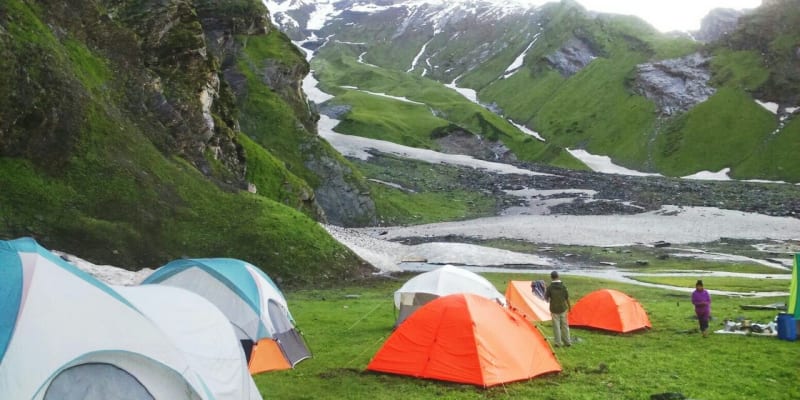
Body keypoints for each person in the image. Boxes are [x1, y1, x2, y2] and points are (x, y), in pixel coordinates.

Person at [545, 271, 571, 347]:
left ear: (551, 277)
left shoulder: (549, 288)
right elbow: (567, 298)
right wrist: (570, 307)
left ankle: (558, 343)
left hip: (554, 309)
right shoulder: (563, 287)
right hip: (563, 308)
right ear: (558, 276)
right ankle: (567, 342)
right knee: (565, 326)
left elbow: (546, 298)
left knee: (556, 327)